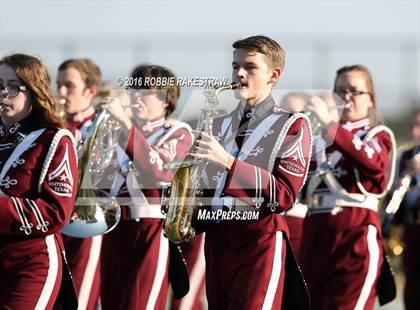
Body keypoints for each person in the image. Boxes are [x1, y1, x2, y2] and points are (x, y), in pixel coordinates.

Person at [191, 35, 312, 309]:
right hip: (218, 242)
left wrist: (229, 162)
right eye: (235, 66)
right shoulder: (218, 124)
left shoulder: (291, 125)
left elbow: (284, 195)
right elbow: (206, 190)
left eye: (250, 67)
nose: (239, 74)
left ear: (274, 75)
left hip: (259, 241)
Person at [301, 64, 397, 309]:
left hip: (353, 239)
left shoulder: (377, 134)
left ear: (370, 99)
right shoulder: (316, 139)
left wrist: (332, 128)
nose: (346, 97)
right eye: (340, 91)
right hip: (314, 239)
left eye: (355, 91)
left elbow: (373, 163)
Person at [100, 64, 193, 310]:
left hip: (150, 230)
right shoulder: (114, 131)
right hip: (113, 229)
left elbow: (161, 172)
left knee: (139, 304)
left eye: (147, 91)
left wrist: (125, 124)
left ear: (166, 99)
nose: (136, 95)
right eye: (134, 88)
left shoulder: (178, 133)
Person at [0, 53, 78, 309]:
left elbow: (55, 212)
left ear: (33, 92)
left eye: (13, 87)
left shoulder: (53, 140)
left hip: (30, 263)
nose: (3, 93)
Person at [56, 58, 102, 310]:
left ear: (90, 92)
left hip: (86, 229)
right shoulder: (51, 126)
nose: (61, 93)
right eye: (58, 85)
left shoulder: (102, 127)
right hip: (53, 226)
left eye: (69, 86)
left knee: (79, 301)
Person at [390, 111, 420, 310]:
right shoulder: (405, 155)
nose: (415, 132)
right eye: (413, 126)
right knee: (413, 287)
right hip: (411, 227)